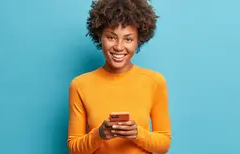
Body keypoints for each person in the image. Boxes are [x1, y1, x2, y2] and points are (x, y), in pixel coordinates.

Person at [67, 0, 172, 153]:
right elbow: (74, 148)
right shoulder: (80, 85)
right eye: (111, 37)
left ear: (138, 41)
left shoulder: (155, 82)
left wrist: (137, 134)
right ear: (99, 36)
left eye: (128, 39)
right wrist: (99, 134)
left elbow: (164, 144)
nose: (118, 47)